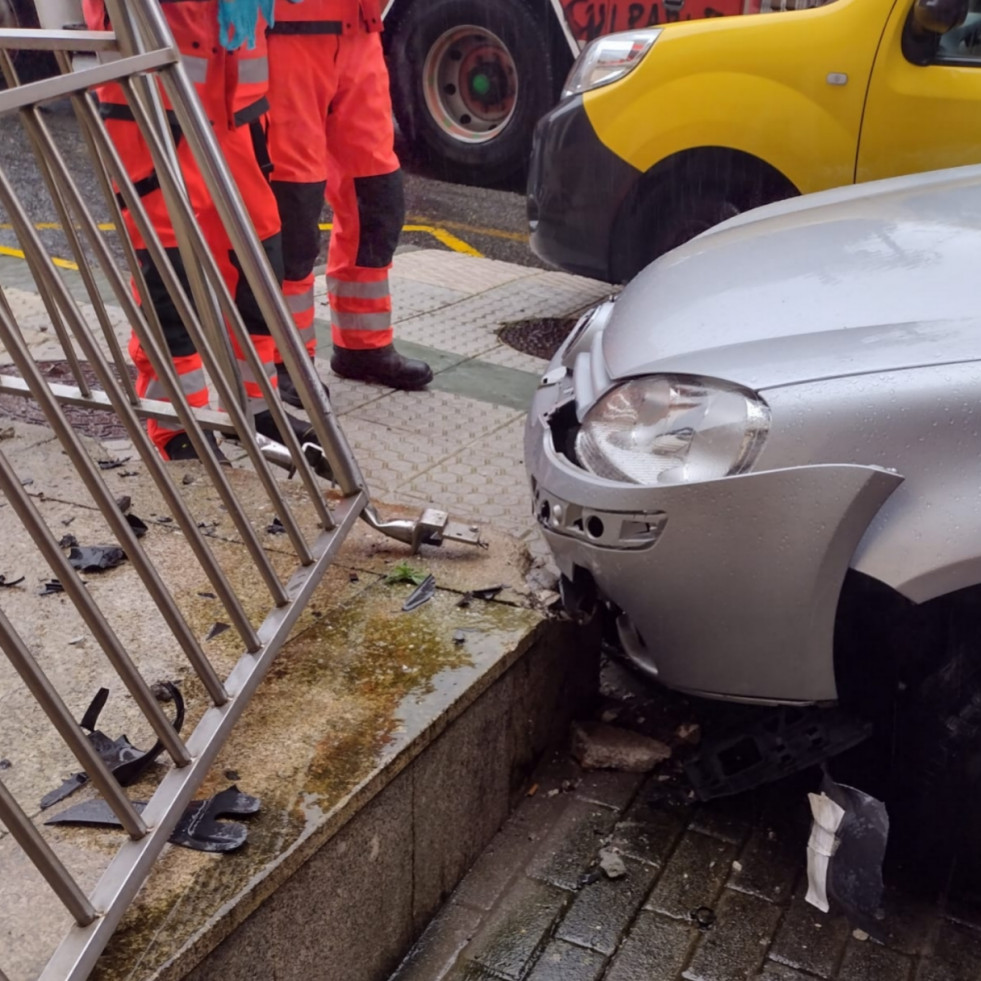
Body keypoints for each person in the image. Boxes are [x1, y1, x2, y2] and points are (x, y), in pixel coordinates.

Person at [82, 0, 318, 460]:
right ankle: (176, 423)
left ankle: (259, 404)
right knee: (169, 275)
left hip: (238, 118)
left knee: (257, 265)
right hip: (154, 115)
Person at [264, 0, 433, 404]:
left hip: (359, 31)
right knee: (292, 209)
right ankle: (281, 358)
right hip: (285, 35)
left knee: (376, 197)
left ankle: (362, 346)